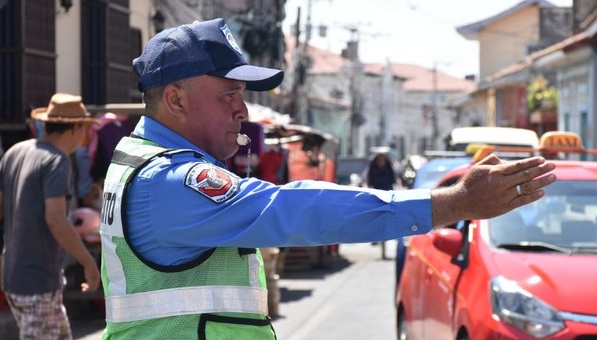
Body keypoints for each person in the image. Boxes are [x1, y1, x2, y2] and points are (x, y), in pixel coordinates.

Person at [99, 18, 556, 339]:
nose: (243, 110)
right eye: (229, 95)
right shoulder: (172, 179)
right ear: (175, 100)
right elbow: (294, 208)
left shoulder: (145, 159)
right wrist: (451, 204)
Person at [0, 93, 101, 339]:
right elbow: (56, 220)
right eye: (85, 127)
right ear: (75, 128)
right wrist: (88, 263)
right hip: (37, 280)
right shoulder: (57, 161)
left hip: (15, 273)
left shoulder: (16, 151)